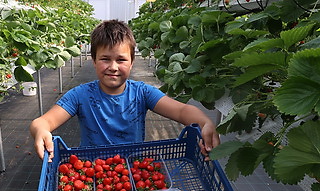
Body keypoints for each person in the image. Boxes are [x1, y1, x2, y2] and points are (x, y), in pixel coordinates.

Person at [30, 19, 220, 161]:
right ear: (94, 60)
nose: (113, 67)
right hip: (92, 171)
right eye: (105, 59)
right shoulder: (80, 95)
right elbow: (43, 121)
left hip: (132, 169)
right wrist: (41, 130)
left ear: (131, 63)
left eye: (121, 60)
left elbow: (181, 110)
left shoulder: (142, 93)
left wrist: (204, 123)